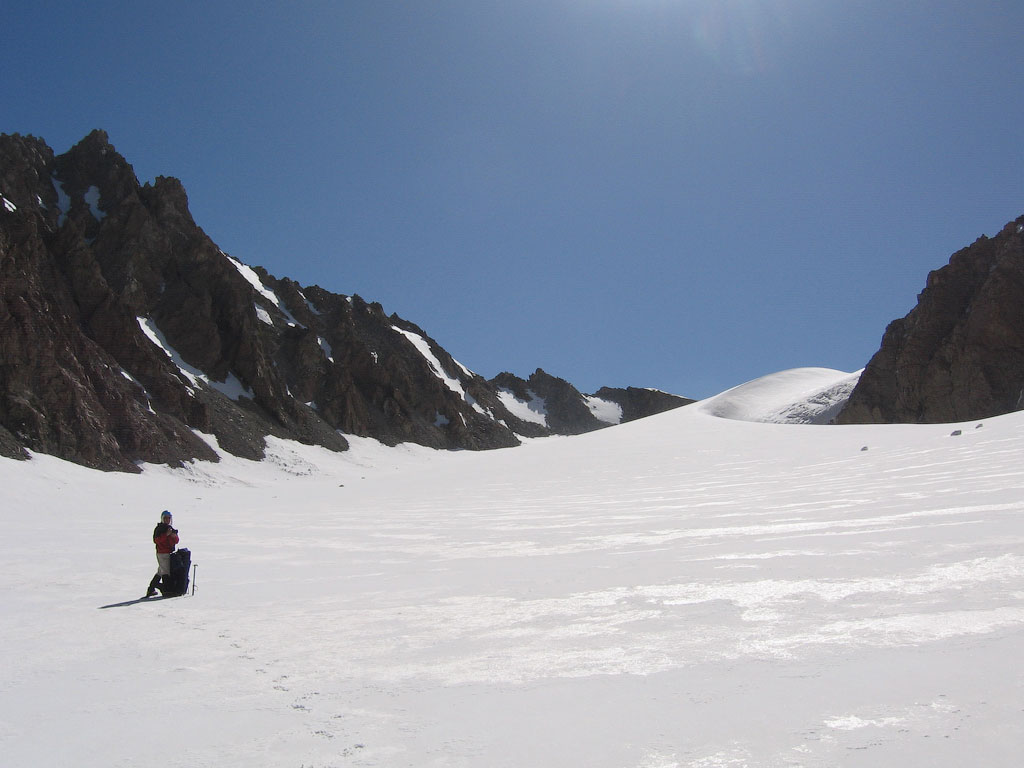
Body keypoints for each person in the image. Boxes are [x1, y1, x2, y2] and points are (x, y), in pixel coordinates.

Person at [146, 511, 179, 597]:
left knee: (160, 571)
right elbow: (156, 540)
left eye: (169, 518)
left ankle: (151, 589)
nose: (167, 520)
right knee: (165, 572)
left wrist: (174, 536)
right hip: (162, 553)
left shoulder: (170, 528)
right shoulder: (159, 529)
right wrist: (166, 535)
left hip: (168, 553)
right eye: (165, 518)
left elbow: (176, 541)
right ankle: (167, 590)